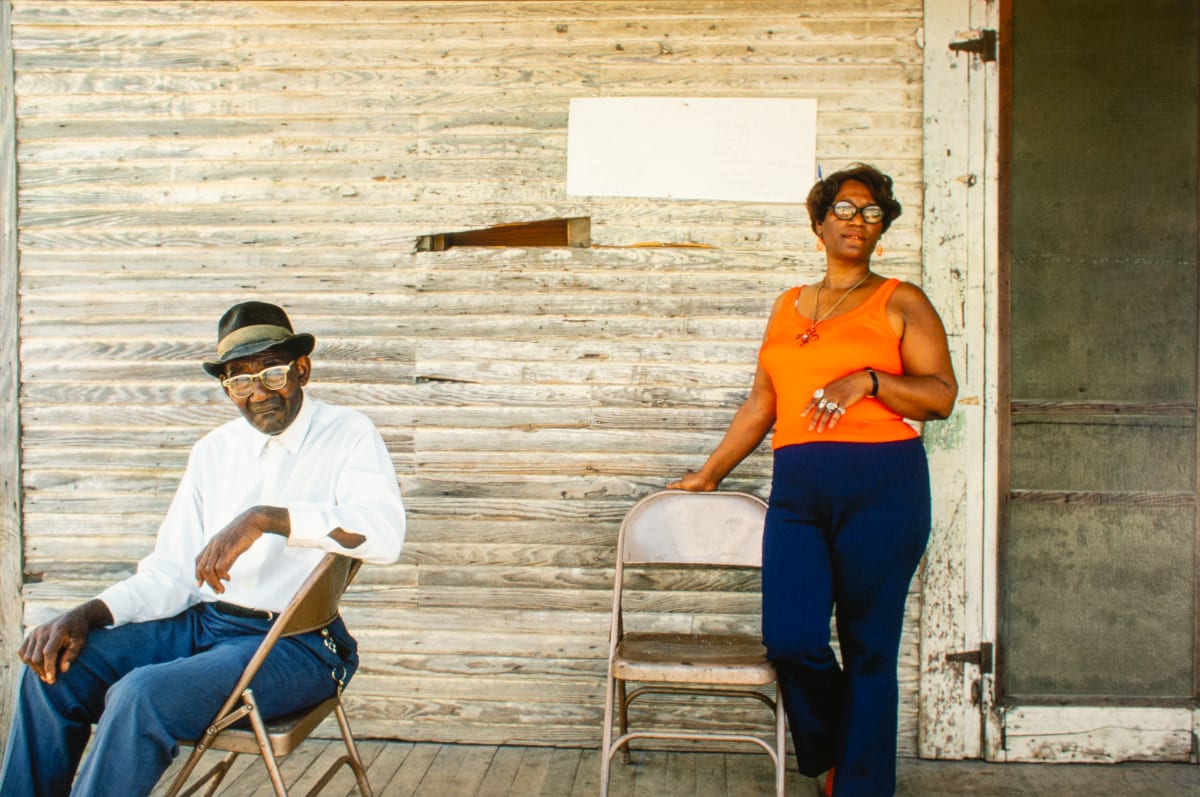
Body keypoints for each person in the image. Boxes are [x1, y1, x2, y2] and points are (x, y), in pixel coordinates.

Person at [0, 301, 406, 797]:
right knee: (54, 671)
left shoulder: (348, 434)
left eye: (273, 373)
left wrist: (266, 519)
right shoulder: (214, 451)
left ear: (302, 369)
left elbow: (384, 536)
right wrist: (86, 614)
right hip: (206, 624)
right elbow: (171, 574)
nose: (259, 394)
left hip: (297, 645)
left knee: (139, 695)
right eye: (240, 381)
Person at [668, 163, 957, 797]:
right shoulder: (788, 304)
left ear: (884, 228)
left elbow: (940, 397)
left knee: (870, 647)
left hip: (884, 486)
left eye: (874, 213)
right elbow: (762, 404)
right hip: (799, 490)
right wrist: (709, 476)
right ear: (819, 223)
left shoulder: (901, 299)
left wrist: (871, 380)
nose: (860, 222)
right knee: (792, 639)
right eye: (848, 210)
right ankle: (834, 751)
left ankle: (860, 787)